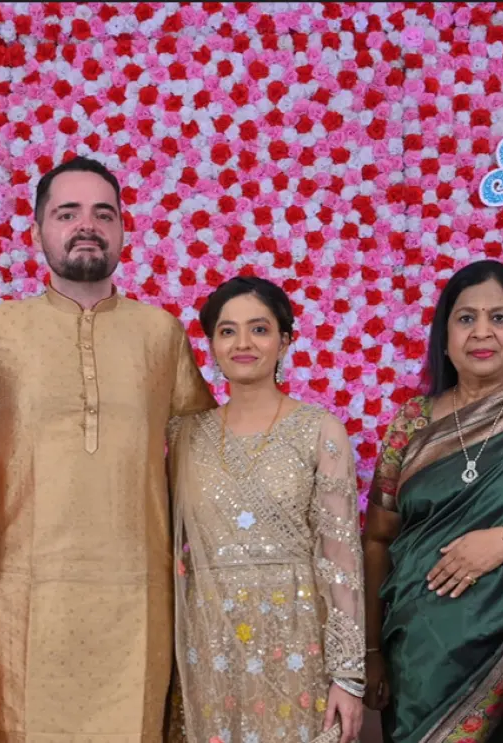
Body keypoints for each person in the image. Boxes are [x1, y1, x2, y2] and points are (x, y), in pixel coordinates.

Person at [0, 156, 215, 743]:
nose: (86, 225)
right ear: (39, 230)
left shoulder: (160, 333)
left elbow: (209, 450)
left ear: (121, 231)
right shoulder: (1, 328)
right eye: (68, 213)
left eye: (102, 213)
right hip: (22, 598)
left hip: (138, 594)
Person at [169, 277, 365, 743]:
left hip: (297, 640)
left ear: (285, 340)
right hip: (208, 644)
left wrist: (348, 675)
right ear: (211, 344)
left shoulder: (319, 431)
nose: (242, 343)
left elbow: (341, 560)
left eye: (259, 329)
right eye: (227, 330)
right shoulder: (183, 437)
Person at [363, 259, 503, 743]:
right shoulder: (412, 423)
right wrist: (371, 652)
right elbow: (378, 538)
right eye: (466, 318)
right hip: (415, 657)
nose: (482, 332)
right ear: (444, 336)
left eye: (499, 318)